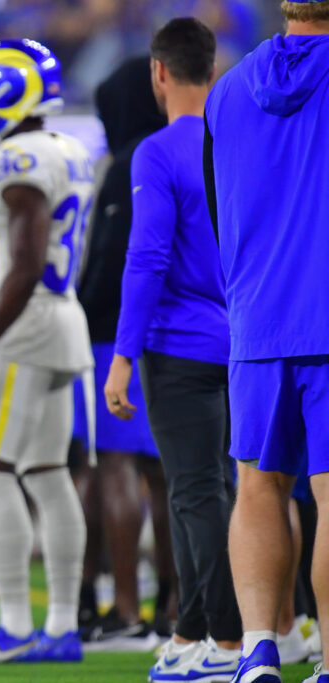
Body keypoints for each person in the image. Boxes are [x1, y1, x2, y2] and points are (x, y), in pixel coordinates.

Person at [103, 18, 243, 682]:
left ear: (159, 73)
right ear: (210, 72)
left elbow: (148, 255)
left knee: (194, 495)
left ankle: (226, 636)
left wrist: (123, 352)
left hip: (179, 344)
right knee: (235, 488)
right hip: (242, 341)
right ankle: (195, 625)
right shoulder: (238, 141)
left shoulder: (155, 152)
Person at [0, 38, 92, 665]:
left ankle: (12, 626)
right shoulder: (67, 148)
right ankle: (60, 627)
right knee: (48, 474)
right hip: (63, 322)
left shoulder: (19, 157)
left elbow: (27, 261)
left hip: (23, 327)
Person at [203, 2, 329, 682]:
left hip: (255, 318)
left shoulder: (228, 89)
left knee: (257, 484)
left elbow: (222, 209)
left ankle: (258, 649)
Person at [75, 55, 175, 648]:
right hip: (179, 334)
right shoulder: (189, 151)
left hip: (118, 336)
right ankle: (175, 601)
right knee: (168, 477)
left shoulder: (128, 165)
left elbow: (112, 258)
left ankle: (126, 607)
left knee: (115, 469)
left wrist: (81, 313)